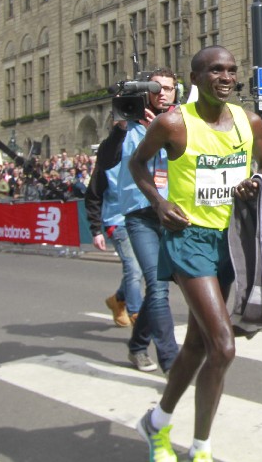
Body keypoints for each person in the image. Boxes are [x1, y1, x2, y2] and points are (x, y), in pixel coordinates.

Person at [129, 47, 262, 462]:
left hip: (232, 240)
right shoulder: (173, 123)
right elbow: (138, 165)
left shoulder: (250, 121)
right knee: (223, 347)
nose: (225, 77)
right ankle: (201, 449)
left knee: (196, 345)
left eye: (231, 70)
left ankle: (156, 422)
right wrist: (159, 203)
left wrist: (256, 184)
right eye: (215, 70)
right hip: (189, 239)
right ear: (195, 78)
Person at [87, 68, 181, 373]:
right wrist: (118, 128)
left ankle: (138, 345)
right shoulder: (128, 126)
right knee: (157, 285)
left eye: (169, 88)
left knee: (163, 287)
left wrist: (162, 132)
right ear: (145, 92)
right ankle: (171, 360)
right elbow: (106, 162)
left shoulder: (180, 122)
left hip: (174, 214)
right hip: (140, 216)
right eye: (156, 87)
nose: (163, 93)